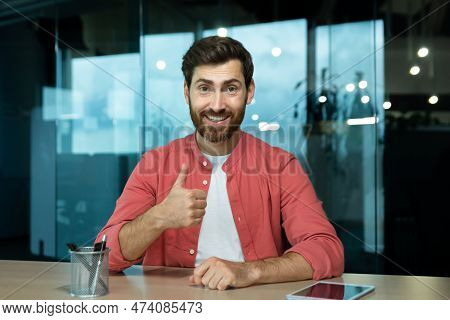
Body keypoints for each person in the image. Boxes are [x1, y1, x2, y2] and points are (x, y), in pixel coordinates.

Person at [95, 36, 344, 290]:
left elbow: (326, 248)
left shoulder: (280, 166)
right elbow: (103, 257)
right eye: (204, 88)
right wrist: (158, 217)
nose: (216, 105)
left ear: (249, 92)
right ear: (186, 92)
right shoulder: (154, 165)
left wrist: (250, 271)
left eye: (231, 88)